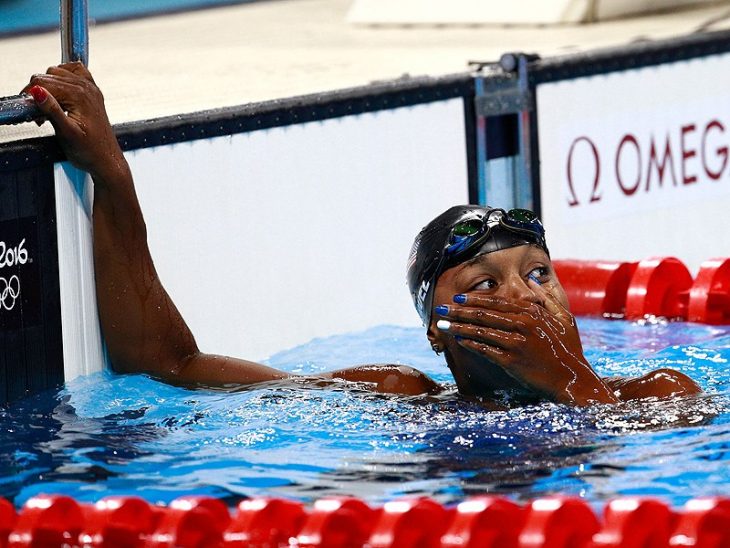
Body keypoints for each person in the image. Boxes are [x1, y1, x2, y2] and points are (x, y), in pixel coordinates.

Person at [23, 63, 701, 407]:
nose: (525, 297)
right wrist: (112, 174)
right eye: (485, 284)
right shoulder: (398, 396)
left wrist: (569, 380)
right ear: (437, 331)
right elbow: (167, 364)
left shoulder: (661, 392)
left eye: (539, 273)